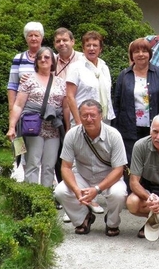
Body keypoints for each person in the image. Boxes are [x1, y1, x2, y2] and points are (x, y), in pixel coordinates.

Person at [54, 99, 128, 236]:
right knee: (60, 191)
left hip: (108, 177)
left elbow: (118, 169)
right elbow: (65, 167)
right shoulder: (72, 134)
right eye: (84, 116)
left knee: (118, 194)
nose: (89, 119)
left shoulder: (114, 135)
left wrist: (97, 189)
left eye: (93, 115)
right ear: (79, 116)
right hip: (82, 175)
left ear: (101, 116)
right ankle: (83, 218)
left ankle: (112, 222)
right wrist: (76, 190)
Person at [6, 46, 70, 187]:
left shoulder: (60, 82)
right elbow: (18, 105)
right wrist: (12, 127)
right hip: (33, 128)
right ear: (36, 62)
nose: (43, 59)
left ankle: (45, 197)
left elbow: (65, 107)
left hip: (53, 129)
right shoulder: (28, 80)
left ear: (52, 61)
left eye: (47, 57)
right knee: (32, 163)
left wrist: (68, 128)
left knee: (49, 165)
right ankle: (32, 196)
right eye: (39, 57)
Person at [112, 37, 159, 188]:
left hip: (153, 125)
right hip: (129, 126)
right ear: (131, 55)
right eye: (136, 51)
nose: (141, 54)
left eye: (144, 51)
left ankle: (152, 189)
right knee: (131, 159)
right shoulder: (124, 75)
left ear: (150, 53)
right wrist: (116, 128)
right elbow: (117, 102)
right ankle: (133, 190)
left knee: (153, 156)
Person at [52, 27, 83, 186]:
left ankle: (82, 188)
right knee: (61, 152)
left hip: (79, 112)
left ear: (73, 41)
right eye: (58, 41)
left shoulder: (83, 59)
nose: (62, 43)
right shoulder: (51, 61)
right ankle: (64, 187)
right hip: (57, 113)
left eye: (65, 40)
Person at [66, 30, 115, 127]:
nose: (91, 48)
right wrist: (78, 121)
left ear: (100, 49)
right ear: (83, 48)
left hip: (104, 121)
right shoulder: (76, 67)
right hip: (84, 120)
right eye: (88, 45)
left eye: (95, 45)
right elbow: (70, 97)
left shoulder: (104, 67)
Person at [7, 21, 44, 113]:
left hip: (46, 108)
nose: (33, 38)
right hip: (23, 109)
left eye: (36, 35)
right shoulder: (18, 58)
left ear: (42, 38)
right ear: (26, 38)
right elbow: (12, 85)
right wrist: (12, 110)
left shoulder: (51, 57)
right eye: (30, 35)